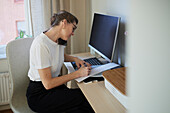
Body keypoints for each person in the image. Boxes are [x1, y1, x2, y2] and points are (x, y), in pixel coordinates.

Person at [26, 10, 94, 113]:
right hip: (40, 94)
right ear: (64, 23)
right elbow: (48, 84)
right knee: (83, 99)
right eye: (73, 28)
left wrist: (75, 59)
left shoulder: (59, 40)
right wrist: (78, 73)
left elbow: (58, 55)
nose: (73, 33)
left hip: (54, 87)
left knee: (83, 100)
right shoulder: (41, 44)